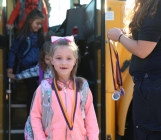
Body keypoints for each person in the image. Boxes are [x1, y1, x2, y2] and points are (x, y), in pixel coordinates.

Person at [107, 0, 161, 139]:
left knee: (148, 133)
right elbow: (147, 39)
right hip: (151, 83)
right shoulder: (151, 8)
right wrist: (126, 36)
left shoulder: (155, 9)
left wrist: (119, 37)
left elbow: (142, 50)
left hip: (152, 84)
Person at [30, 36, 99, 140]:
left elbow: (90, 118)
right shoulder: (44, 88)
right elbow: (35, 117)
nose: (63, 63)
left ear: (75, 61)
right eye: (58, 58)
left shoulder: (82, 88)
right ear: (51, 60)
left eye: (68, 58)